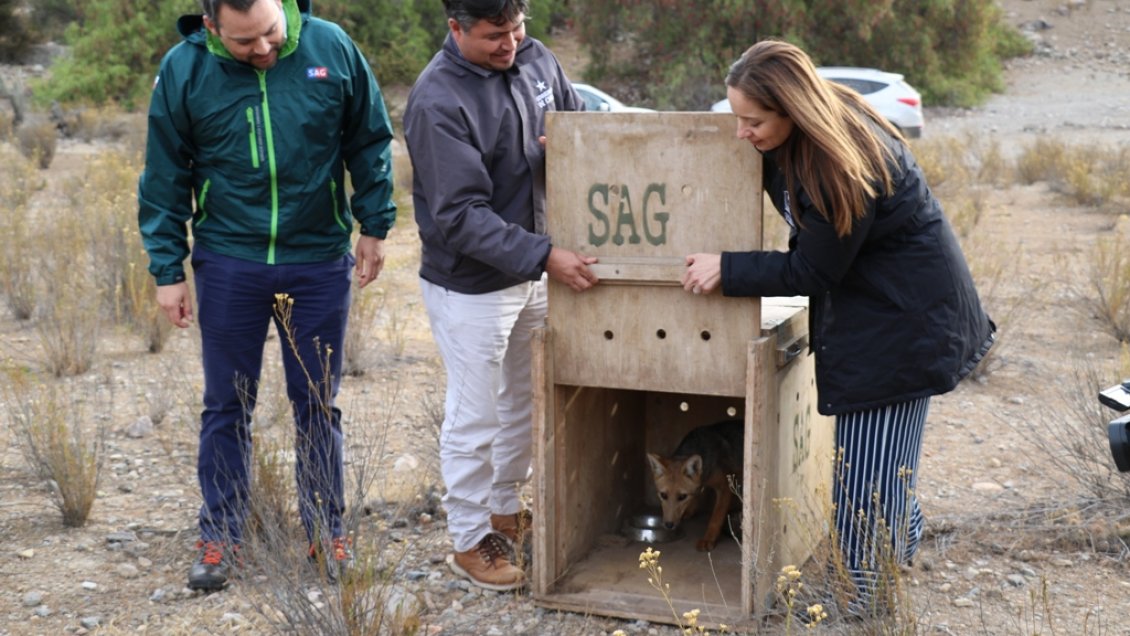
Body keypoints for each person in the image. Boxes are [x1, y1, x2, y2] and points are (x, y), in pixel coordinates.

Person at [681, 40, 995, 615]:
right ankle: (892, 551)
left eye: (753, 122)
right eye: (736, 119)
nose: (741, 134)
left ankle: (863, 603)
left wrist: (726, 269)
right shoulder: (814, 133)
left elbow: (814, 268)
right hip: (893, 311)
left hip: (902, 325)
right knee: (878, 463)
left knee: (864, 477)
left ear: (792, 111)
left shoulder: (836, 164)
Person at [137, 0, 396, 591]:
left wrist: (375, 224)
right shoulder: (184, 68)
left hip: (317, 259)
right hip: (231, 260)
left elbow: (369, 139)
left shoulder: (331, 47)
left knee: (317, 402)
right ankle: (221, 536)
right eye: (244, 42)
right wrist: (166, 269)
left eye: (271, 34)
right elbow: (164, 173)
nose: (263, 50)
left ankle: (325, 530)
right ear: (210, 27)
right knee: (227, 405)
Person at [403, 0, 598, 592]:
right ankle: (467, 542)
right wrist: (544, 256)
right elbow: (460, 215)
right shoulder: (438, 100)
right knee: (476, 413)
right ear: (455, 27)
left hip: (537, 271)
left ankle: (505, 511)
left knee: (524, 401)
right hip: (471, 286)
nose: (510, 44)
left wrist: (567, 143)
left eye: (517, 29)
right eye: (493, 36)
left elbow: (580, 124)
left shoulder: (537, 59)